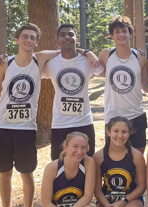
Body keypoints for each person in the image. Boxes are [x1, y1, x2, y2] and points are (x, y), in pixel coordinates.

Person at [0, 23, 60, 207]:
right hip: (3, 127)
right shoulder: (5, 63)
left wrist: (86, 51)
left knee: (26, 173)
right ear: (17, 40)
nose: (28, 41)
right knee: (5, 173)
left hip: (26, 129)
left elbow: (65, 49)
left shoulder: (39, 60)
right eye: (24, 37)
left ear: (36, 41)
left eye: (32, 38)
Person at [42, 23, 103, 160]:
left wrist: (87, 52)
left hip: (84, 121)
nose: (67, 37)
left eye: (71, 34)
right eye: (62, 35)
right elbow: (29, 61)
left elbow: (105, 70)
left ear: (77, 39)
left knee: (87, 162)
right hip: (60, 122)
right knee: (58, 163)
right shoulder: (51, 63)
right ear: (57, 40)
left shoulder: (87, 61)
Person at [40, 132, 97, 207]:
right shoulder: (52, 167)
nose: (79, 151)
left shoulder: (88, 162)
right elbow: (46, 204)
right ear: (65, 147)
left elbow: (88, 196)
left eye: (83, 147)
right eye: (75, 146)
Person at [98, 15, 148, 153]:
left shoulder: (140, 56)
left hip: (135, 114)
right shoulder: (106, 54)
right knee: (113, 158)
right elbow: (92, 69)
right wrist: (85, 51)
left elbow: (145, 85)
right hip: (113, 115)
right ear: (112, 36)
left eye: (124, 31)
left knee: (138, 157)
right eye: (117, 32)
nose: (121, 35)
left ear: (130, 34)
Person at [93, 117, 146, 207]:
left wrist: (124, 201)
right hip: (108, 200)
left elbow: (141, 186)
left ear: (129, 133)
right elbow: (97, 190)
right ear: (108, 132)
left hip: (130, 198)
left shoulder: (136, 156)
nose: (120, 136)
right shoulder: (99, 157)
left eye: (124, 132)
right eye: (116, 131)